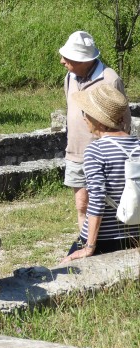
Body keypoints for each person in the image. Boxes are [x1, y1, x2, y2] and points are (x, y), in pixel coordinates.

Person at [60, 31, 130, 231]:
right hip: (75, 153)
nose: (62, 61)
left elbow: (123, 121)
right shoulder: (70, 77)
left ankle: (110, 244)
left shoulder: (110, 79)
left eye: (67, 57)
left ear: (83, 61)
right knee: (82, 206)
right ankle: (86, 244)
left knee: (106, 207)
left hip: (104, 155)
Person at [61, 85, 140, 263]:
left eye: (85, 113)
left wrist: (89, 246)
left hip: (105, 238)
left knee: (65, 269)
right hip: (135, 233)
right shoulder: (138, 145)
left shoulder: (96, 151)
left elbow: (97, 198)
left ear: (98, 120)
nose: (83, 117)